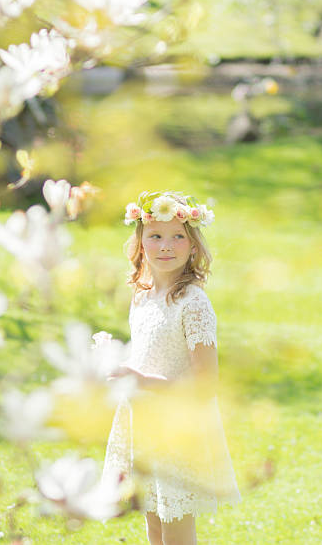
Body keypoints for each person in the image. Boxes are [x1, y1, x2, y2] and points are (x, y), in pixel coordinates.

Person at [101, 190, 241, 545]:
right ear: (140, 242)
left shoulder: (193, 304)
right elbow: (149, 354)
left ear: (194, 245)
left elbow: (205, 384)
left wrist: (143, 381)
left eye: (178, 236)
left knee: (175, 525)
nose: (166, 245)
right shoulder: (142, 295)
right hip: (142, 423)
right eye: (156, 236)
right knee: (153, 522)